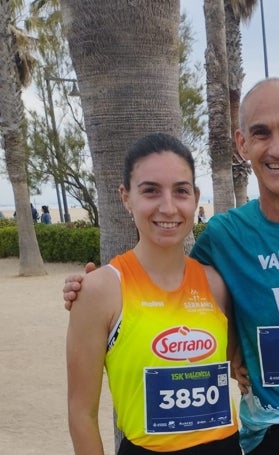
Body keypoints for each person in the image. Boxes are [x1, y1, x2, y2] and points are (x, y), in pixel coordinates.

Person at [64, 79, 279, 455]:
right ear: (241, 144)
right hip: (266, 436)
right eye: (261, 133)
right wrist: (90, 289)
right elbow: (168, 285)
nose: (277, 147)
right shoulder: (223, 237)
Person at [66, 133, 241, 454]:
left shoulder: (216, 283)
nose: (168, 207)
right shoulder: (99, 290)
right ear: (126, 197)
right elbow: (81, 414)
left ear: (195, 197)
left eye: (181, 191)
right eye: (150, 191)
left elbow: (234, 363)